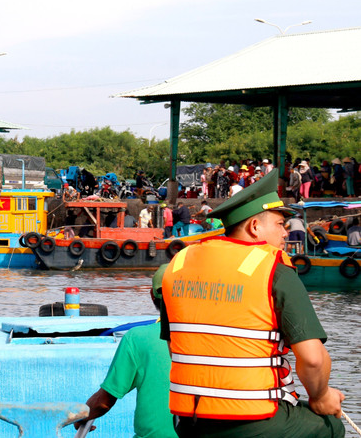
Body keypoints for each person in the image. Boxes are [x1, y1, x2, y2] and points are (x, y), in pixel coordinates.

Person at [160, 169, 345, 438]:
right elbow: (314, 360)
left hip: (190, 422)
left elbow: (176, 345)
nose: (286, 234)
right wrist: (321, 397)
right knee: (330, 427)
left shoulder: (178, 265)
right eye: (280, 225)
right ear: (255, 227)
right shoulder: (274, 270)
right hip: (254, 420)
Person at [78, 265, 178, 438]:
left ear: (152, 296)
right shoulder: (213, 337)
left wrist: (81, 415)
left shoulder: (138, 338)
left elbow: (103, 402)